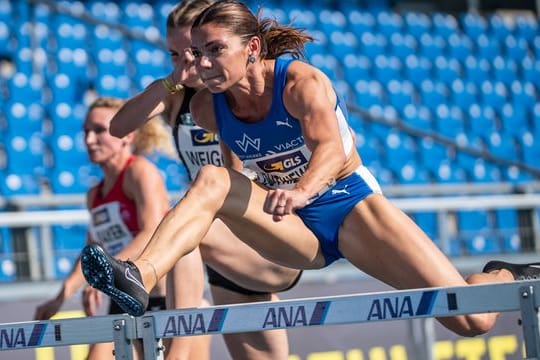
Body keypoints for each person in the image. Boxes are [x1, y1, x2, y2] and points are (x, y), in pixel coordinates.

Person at [80, 0, 540, 340]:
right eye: (194, 53)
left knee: (470, 320)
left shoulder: (301, 82)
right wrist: (171, 81)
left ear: (252, 47)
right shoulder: (205, 107)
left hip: (348, 206)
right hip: (290, 226)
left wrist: (302, 190)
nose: (201, 63)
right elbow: (128, 131)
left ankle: (506, 275)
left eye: (213, 50)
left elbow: (332, 150)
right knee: (213, 180)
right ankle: (139, 275)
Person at [107, 1, 301, 359]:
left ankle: (177, 350)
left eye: (195, 52)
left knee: (185, 227)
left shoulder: (235, 97)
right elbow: (117, 128)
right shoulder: (177, 96)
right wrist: (169, 83)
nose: (189, 63)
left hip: (265, 234)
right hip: (223, 251)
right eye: (175, 55)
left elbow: (237, 175)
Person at [35, 97, 209, 360]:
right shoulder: (95, 194)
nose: (89, 140)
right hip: (122, 300)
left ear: (127, 134)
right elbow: (93, 250)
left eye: (99, 131)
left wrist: (108, 271)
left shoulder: (140, 172)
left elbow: (151, 231)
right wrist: (60, 297)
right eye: (85, 132)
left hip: (165, 299)